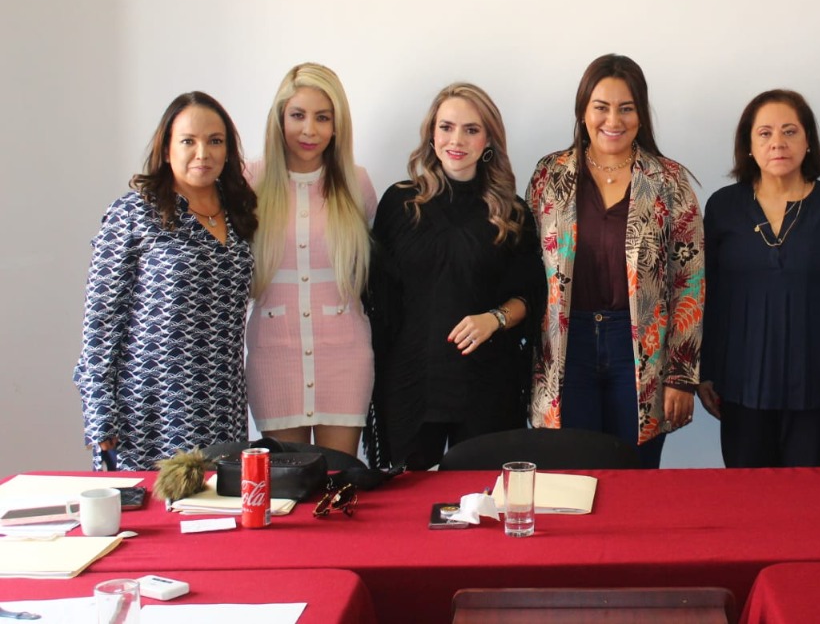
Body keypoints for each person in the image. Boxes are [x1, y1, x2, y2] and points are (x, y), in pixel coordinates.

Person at [526, 54, 704, 469]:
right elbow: (526, 268)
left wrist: (681, 375)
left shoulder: (668, 181)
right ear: (583, 112)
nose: (613, 120)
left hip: (640, 351)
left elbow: (690, 281)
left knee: (635, 474)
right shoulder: (550, 175)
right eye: (601, 107)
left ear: (641, 114)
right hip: (567, 347)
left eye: (626, 108)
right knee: (572, 474)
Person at [74, 92, 257, 471]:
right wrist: (99, 414)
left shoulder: (239, 213)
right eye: (188, 141)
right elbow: (101, 323)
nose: (203, 153)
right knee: (156, 508)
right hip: (150, 410)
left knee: (220, 506)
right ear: (167, 149)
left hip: (222, 403)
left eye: (215, 141)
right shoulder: (133, 213)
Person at [366, 83, 545, 470]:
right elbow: (378, 299)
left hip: (486, 385)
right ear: (432, 134)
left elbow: (530, 298)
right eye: (446, 127)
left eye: (471, 129)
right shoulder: (399, 203)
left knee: (483, 498)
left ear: (488, 140)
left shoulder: (512, 212)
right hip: (412, 383)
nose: (457, 140)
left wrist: (493, 319)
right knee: (407, 499)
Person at [698, 90, 820, 467]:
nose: (777, 142)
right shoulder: (723, 207)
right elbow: (709, 297)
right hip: (741, 382)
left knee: (813, 494)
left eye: (790, 131)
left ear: (809, 141)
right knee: (749, 494)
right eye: (764, 133)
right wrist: (705, 370)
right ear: (748, 146)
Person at [245, 64, 378, 458]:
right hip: (274, 355)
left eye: (323, 118)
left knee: (339, 477)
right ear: (280, 118)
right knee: (287, 480)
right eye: (298, 115)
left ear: (337, 125)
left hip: (345, 355)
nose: (309, 130)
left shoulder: (356, 182)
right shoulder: (250, 180)